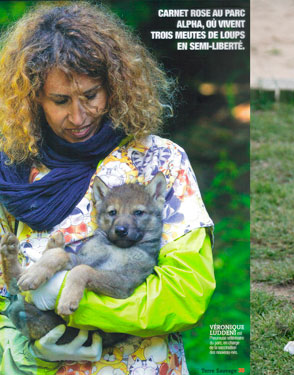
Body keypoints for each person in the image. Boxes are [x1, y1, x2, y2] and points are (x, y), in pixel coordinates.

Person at [0, 3, 215, 374]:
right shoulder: (15, 173)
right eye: (61, 100)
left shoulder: (160, 160)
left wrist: (74, 300)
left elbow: (185, 295)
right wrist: (21, 354)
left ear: (114, 86)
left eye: (90, 94)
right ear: (35, 97)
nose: (79, 116)